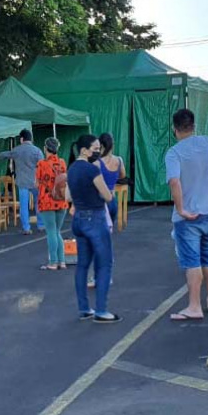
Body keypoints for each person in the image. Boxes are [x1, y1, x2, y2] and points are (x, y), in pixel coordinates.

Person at [165, 109, 208, 321]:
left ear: (174, 129)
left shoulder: (174, 153)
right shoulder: (206, 142)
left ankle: (194, 306)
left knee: (192, 261)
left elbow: (174, 182)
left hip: (189, 216)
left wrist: (181, 209)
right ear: (193, 126)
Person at [67, 134, 119, 323]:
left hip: (79, 219)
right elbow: (107, 196)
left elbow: (67, 196)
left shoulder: (72, 169)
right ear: (84, 150)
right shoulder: (92, 170)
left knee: (82, 265)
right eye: (95, 149)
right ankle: (102, 310)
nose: (98, 151)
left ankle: (84, 308)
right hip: (95, 219)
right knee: (104, 264)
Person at [87, 132, 126, 288]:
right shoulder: (118, 160)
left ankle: (98, 277)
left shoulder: (96, 163)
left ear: (101, 146)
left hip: (99, 204)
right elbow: (122, 175)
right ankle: (106, 276)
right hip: (112, 203)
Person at [0, 129, 44, 235]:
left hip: (22, 182)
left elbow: (5, 154)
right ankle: (41, 225)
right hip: (35, 182)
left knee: (23, 205)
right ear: (30, 139)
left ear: (22, 139)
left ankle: (26, 228)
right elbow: (42, 166)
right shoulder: (37, 151)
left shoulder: (17, 150)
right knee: (39, 203)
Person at [36, 137, 69, 271]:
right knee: (57, 231)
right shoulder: (62, 162)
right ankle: (62, 261)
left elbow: (37, 182)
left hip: (47, 201)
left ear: (45, 148)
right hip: (61, 200)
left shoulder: (42, 164)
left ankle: (53, 262)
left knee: (51, 232)